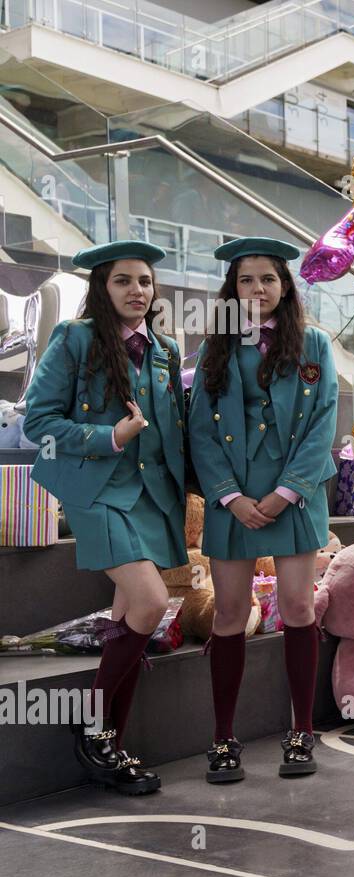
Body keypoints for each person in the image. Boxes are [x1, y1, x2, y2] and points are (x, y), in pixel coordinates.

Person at [23, 240, 187, 795]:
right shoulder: (75, 339)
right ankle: (96, 732)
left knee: (128, 616)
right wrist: (109, 436)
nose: (136, 290)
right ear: (103, 288)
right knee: (150, 603)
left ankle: (108, 741)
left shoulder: (164, 349)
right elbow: (37, 423)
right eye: (123, 281)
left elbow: (174, 430)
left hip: (149, 495)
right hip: (95, 489)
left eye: (144, 281)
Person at [189, 237, 338, 781]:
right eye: (246, 280)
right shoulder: (215, 348)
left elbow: (323, 423)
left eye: (268, 279)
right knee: (228, 615)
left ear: (285, 286)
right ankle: (223, 737)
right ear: (234, 289)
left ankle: (302, 730)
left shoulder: (315, 344)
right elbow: (201, 430)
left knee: (299, 609)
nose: (257, 289)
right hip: (234, 501)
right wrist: (231, 497)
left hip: (293, 498)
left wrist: (286, 493)